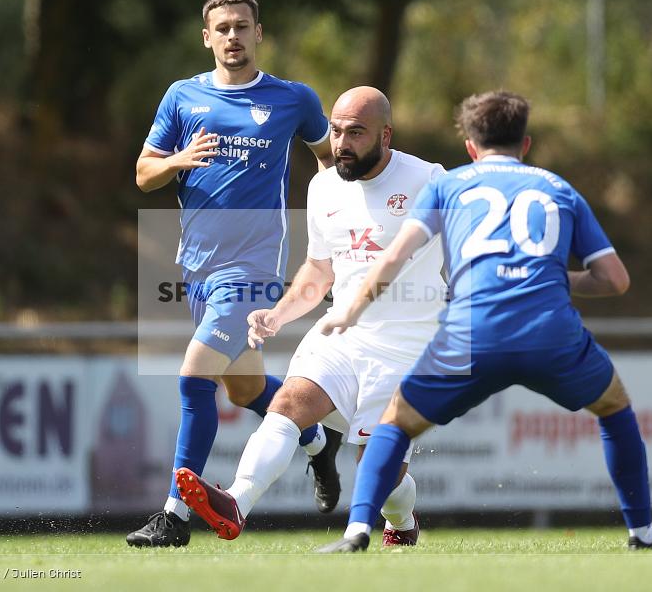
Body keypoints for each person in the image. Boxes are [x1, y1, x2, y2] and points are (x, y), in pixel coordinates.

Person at [315, 90, 652, 553]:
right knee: (615, 410)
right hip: (550, 334)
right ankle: (642, 533)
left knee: (392, 425)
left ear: (471, 148)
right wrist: (555, 277)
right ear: (527, 144)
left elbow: (395, 256)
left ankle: (357, 532)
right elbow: (614, 280)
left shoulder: (448, 185)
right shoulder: (558, 188)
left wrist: (351, 310)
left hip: (474, 334)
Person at [171, 86, 446, 546]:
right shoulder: (322, 187)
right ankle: (236, 502)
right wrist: (278, 315)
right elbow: (319, 269)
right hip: (343, 330)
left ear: (386, 135)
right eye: (336, 131)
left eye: (356, 132)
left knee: (379, 469)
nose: (341, 142)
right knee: (288, 404)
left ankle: (402, 523)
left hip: (410, 343)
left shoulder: (428, 180)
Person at [127, 0, 341, 548]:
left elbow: (329, 163)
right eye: (222, 28)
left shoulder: (292, 99)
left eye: (241, 26)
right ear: (207, 37)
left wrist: (336, 227)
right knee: (245, 390)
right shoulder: (183, 97)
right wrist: (176, 161)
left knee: (194, 378)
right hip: (197, 270)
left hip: (253, 271)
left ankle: (174, 517)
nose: (232, 37)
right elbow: (144, 174)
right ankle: (317, 442)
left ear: (258, 33)